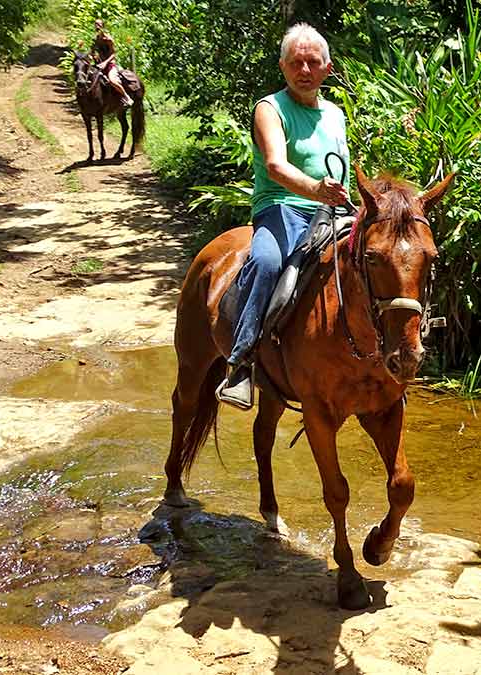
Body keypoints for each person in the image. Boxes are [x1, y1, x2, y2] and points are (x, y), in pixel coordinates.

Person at [216, 23, 350, 409]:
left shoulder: (335, 114)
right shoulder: (269, 108)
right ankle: (241, 362)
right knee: (266, 261)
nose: (304, 70)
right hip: (282, 207)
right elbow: (275, 165)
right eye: (296, 63)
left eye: (313, 62)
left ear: (327, 68)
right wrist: (316, 189)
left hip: (333, 210)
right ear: (283, 67)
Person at [93, 19, 134, 107]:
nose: (97, 26)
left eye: (99, 25)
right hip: (99, 64)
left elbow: (113, 54)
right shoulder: (96, 39)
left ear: (103, 26)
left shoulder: (108, 39)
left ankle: (126, 97)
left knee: (112, 80)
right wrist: (93, 56)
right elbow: (93, 51)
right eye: (95, 24)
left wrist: (105, 63)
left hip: (110, 64)